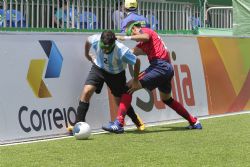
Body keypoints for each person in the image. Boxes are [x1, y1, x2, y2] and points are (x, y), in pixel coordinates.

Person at [102, 21, 202, 133]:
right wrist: (112, 49)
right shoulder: (142, 44)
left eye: (132, 33)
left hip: (159, 66)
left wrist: (125, 37)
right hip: (167, 68)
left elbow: (145, 36)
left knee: (128, 88)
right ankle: (194, 121)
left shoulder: (146, 31)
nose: (134, 38)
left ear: (135, 28)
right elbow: (129, 52)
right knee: (167, 99)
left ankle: (119, 123)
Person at [68, 30, 144, 134]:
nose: (105, 51)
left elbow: (137, 61)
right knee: (87, 92)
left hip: (116, 74)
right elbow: (88, 40)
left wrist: (135, 81)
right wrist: (87, 55)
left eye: (108, 49)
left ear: (114, 43)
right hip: (99, 68)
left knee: (119, 101)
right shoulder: (95, 39)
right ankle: (78, 124)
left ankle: (136, 120)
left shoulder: (121, 50)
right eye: (103, 48)